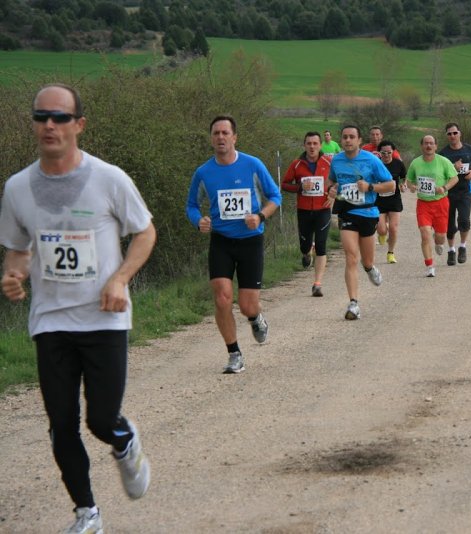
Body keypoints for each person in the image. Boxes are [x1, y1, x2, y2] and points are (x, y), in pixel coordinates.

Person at [0, 83, 156, 533]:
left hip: (104, 317)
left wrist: (120, 278)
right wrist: (13, 277)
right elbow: (17, 250)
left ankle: (124, 441)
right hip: (50, 321)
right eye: (42, 116)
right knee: (61, 423)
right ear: (33, 124)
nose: (50, 124)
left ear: (79, 125)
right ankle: (87, 513)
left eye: (61, 117)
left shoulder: (109, 178)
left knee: (101, 420)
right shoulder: (17, 188)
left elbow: (145, 233)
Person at [186, 115, 282, 374]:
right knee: (222, 297)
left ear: (234, 137)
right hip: (221, 241)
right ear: (211, 138)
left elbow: (275, 196)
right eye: (216, 133)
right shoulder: (203, 172)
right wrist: (199, 221)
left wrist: (260, 215)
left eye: (225, 133)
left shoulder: (252, 165)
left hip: (250, 241)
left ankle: (255, 317)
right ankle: (234, 353)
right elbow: (192, 205)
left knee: (247, 304)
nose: (220, 137)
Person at [326, 125, 395, 319]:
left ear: (359, 140)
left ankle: (370, 268)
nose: (347, 140)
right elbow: (331, 182)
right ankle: (353, 303)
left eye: (351, 137)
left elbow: (391, 184)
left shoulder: (371, 160)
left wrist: (371, 186)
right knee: (350, 256)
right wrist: (331, 190)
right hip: (347, 212)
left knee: (366, 260)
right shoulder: (337, 160)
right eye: (344, 137)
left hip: (368, 212)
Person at [281, 131, 333, 296]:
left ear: (320, 145)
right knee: (304, 245)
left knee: (321, 245)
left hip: (323, 210)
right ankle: (306, 251)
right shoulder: (297, 164)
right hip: (303, 211)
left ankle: (317, 284)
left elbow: (339, 181)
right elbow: (284, 184)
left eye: (315, 143)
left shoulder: (328, 162)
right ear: (304, 145)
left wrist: (333, 192)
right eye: (309, 143)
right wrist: (300, 188)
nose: (312, 147)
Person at [406, 135, 459, 278]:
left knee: (441, 237)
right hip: (423, 204)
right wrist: (411, 187)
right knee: (424, 235)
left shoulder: (443, 161)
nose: (428, 146)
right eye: (425, 143)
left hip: (441, 203)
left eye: (431, 143)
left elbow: (455, 178)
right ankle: (429, 266)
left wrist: (444, 187)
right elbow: (409, 180)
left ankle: (438, 240)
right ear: (421, 146)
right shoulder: (415, 163)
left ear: (435, 146)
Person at [438, 123, 471, 266]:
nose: (452, 136)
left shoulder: (469, 149)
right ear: (447, 136)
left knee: (464, 220)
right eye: (449, 134)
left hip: (465, 192)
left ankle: (462, 247)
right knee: (449, 225)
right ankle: (451, 251)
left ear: (459, 133)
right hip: (448, 194)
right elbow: (439, 173)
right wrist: (452, 168)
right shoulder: (443, 154)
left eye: (455, 133)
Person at [376, 139, 406, 264]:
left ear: (393, 152)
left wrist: (402, 184)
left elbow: (404, 177)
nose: (386, 155)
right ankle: (381, 234)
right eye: (384, 153)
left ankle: (390, 253)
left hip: (394, 199)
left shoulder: (398, 164)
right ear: (379, 153)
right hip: (378, 200)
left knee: (393, 228)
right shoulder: (375, 164)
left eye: (389, 152)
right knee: (382, 229)